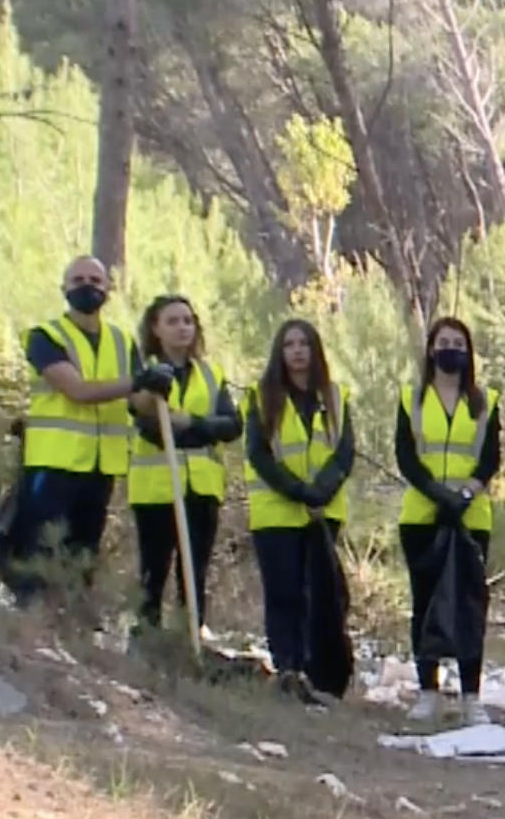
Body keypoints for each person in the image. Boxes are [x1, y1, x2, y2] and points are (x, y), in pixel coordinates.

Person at [7, 255, 171, 602]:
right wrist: (137, 380)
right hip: (54, 463)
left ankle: (73, 631)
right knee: (41, 551)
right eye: (79, 279)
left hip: (100, 467)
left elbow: (136, 401)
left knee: (83, 556)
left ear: (109, 289)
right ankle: (32, 626)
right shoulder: (45, 336)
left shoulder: (121, 342)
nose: (88, 287)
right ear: (64, 288)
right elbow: (77, 390)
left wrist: (157, 390)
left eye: (96, 281)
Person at [395, 317, 500, 725]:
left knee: (470, 603)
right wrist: (437, 494)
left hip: (471, 517)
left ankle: (471, 695)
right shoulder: (412, 399)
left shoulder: (484, 401)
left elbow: (490, 457)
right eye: (444, 341)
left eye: (459, 342)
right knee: (425, 602)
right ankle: (429, 691)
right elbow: (406, 456)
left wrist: (466, 494)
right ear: (431, 349)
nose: (451, 348)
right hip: (422, 515)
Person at [245, 318, 355, 701]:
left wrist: (321, 490)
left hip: (322, 513)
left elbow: (344, 453)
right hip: (276, 511)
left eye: (304, 343)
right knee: (284, 593)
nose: (297, 350)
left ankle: (317, 672)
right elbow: (258, 453)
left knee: (318, 594)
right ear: (280, 351)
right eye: (289, 344)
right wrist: (296, 489)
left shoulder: (334, 398)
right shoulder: (262, 397)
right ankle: (287, 668)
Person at [125, 295, 241, 639]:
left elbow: (233, 424)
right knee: (154, 570)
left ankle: (190, 636)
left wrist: (190, 423)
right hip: (155, 488)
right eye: (173, 321)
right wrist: (201, 429)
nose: (182, 328)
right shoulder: (145, 376)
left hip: (202, 488)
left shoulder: (210, 373)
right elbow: (151, 426)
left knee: (195, 572)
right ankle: (146, 637)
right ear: (156, 329)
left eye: (188, 321)